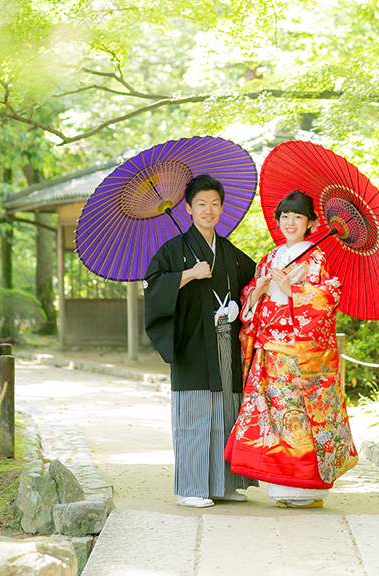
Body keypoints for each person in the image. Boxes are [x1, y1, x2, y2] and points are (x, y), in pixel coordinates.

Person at [224, 189, 358, 508]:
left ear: (311, 223)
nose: (290, 222)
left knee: (299, 422)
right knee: (272, 422)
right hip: (268, 355)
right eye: (285, 216)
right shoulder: (270, 258)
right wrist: (256, 293)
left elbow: (329, 299)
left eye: (298, 217)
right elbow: (250, 302)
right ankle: (281, 489)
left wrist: (293, 291)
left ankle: (307, 491)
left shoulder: (316, 258)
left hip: (299, 358)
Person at [144, 174, 258, 508]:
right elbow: (152, 287)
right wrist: (189, 274)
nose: (209, 210)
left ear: (222, 208)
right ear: (189, 208)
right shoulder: (173, 250)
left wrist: (244, 301)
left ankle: (225, 484)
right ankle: (191, 488)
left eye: (215, 204)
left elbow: (252, 281)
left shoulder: (229, 251)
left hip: (225, 341)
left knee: (227, 410)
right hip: (192, 343)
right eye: (201, 204)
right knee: (195, 414)